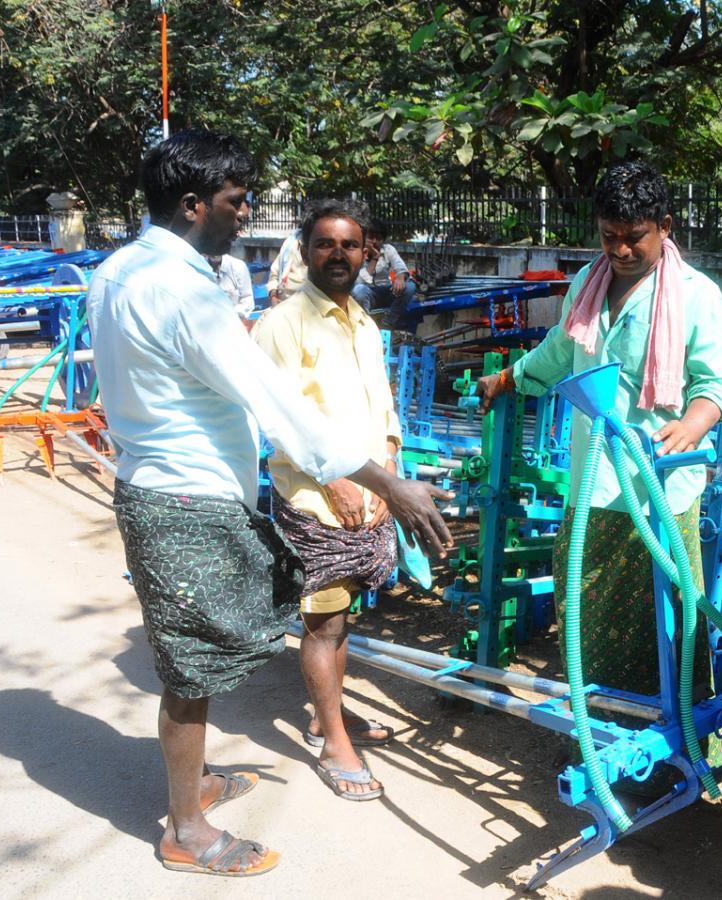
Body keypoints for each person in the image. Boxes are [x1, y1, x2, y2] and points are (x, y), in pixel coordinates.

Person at [87, 130, 452, 877]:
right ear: (193, 204)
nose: (243, 213)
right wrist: (389, 485)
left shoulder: (117, 269)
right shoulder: (188, 292)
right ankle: (185, 830)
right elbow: (277, 404)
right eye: (233, 200)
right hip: (184, 500)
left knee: (205, 658)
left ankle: (193, 784)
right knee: (192, 671)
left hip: (154, 485)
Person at [477, 161, 722, 712]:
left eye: (633, 238)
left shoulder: (698, 295)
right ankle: (595, 733)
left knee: (668, 622)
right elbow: (561, 349)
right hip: (592, 485)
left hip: (660, 491)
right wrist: (508, 377)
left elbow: (716, 383)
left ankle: (674, 746)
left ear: (665, 226)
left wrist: (694, 422)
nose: (619, 251)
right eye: (609, 237)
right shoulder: (585, 285)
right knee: (585, 614)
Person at [252, 199, 401, 802]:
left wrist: (388, 470)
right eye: (325, 244)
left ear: (366, 252)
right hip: (318, 502)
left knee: (345, 619)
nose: (338, 255)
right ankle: (337, 744)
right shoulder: (283, 324)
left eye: (350, 245)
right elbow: (279, 417)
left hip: (368, 501)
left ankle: (325, 714)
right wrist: (337, 481)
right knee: (323, 624)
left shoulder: (363, 322)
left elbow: (382, 404)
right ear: (306, 250)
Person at [351, 220, 415, 325]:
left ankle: (388, 322)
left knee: (410, 287)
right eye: (370, 238)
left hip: (386, 292)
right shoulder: (356, 253)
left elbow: (400, 267)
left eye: (379, 239)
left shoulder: (388, 250)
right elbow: (358, 283)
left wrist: (400, 277)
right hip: (366, 295)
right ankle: (365, 324)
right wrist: (374, 258)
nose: (374, 242)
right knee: (358, 290)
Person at [206, 252, 255, 320]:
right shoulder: (198, 268)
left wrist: (230, 316)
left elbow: (247, 299)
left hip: (234, 320)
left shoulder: (238, 266)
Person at [266, 228, 308, 305]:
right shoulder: (290, 243)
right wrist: (273, 296)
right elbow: (274, 275)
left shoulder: (320, 250)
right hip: (282, 303)